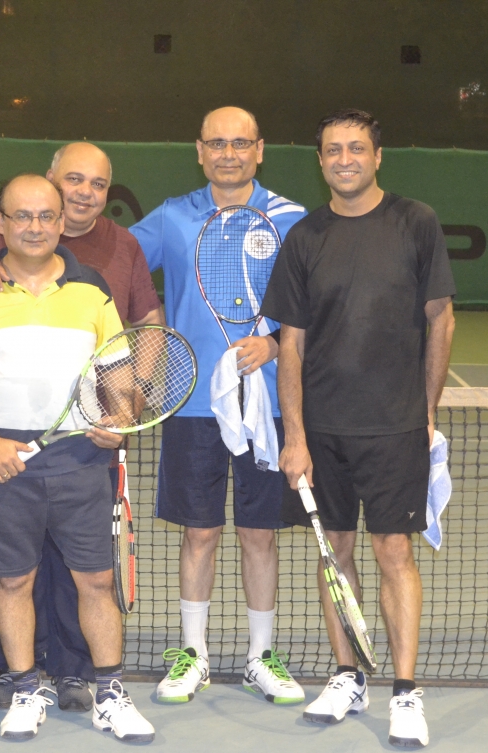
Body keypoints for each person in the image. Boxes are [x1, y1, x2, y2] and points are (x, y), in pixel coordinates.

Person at [0, 173, 154, 743]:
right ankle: (26, 687)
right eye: (21, 216)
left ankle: (110, 691)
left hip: (81, 459)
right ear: (1, 224)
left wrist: (120, 417)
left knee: (95, 582)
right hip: (3, 460)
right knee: (13, 582)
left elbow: (119, 372)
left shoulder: (95, 291)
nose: (35, 227)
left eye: (45, 216)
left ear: (61, 223)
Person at [264, 109, 456, 749]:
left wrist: (425, 413)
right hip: (322, 432)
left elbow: (440, 318)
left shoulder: (415, 222)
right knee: (333, 554)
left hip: (395, 426)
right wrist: (294, 435)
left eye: (356, 148)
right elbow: (290, 344)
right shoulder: (304, 238)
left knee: (393, 553)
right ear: (319, 161)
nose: (344, 159)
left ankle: (405, 691)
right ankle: (347, 675)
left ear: (378, 156)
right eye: (331, 150)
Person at [130, 107, 308, 704]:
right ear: (199, 151)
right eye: (216, 144)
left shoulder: (292, 220)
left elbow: (318, 308)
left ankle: (261, 656)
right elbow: (108, 260)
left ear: (260, 149)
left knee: (260, 535)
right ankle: (194, 654)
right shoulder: (173, 218)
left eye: (240, 143)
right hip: (193, 407)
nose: (228, 153)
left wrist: (276, 341)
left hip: (270, 404)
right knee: (200, 533)